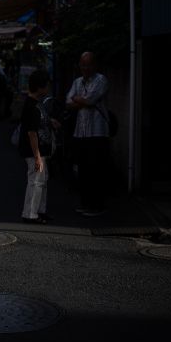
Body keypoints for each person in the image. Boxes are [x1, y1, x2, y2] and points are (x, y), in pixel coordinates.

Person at [65, 51, 111, 217]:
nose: (85, 68)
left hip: (98, 132)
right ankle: (86, 203)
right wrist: (81, 100)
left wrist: (78, 99)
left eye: (88, 64)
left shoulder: (101, 80)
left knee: (96, 170)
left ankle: (97, 205)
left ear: (95, 65)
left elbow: (90, 101)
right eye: (83, 64)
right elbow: (67, 103)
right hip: (81, 133)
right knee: (83, 170)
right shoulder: (77, 81)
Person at [18, 70, 61, 224]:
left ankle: (39, 211)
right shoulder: (31, 106)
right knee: (36, 181)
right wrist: (36, 156)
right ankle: (30, 214)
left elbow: (39, 123)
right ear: (40, 87)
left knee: (41, 180)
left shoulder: (37, 103)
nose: (48, 88)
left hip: (40, 150)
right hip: (33, 150)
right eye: (46, 85)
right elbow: (32, 133)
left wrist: (51, 122)